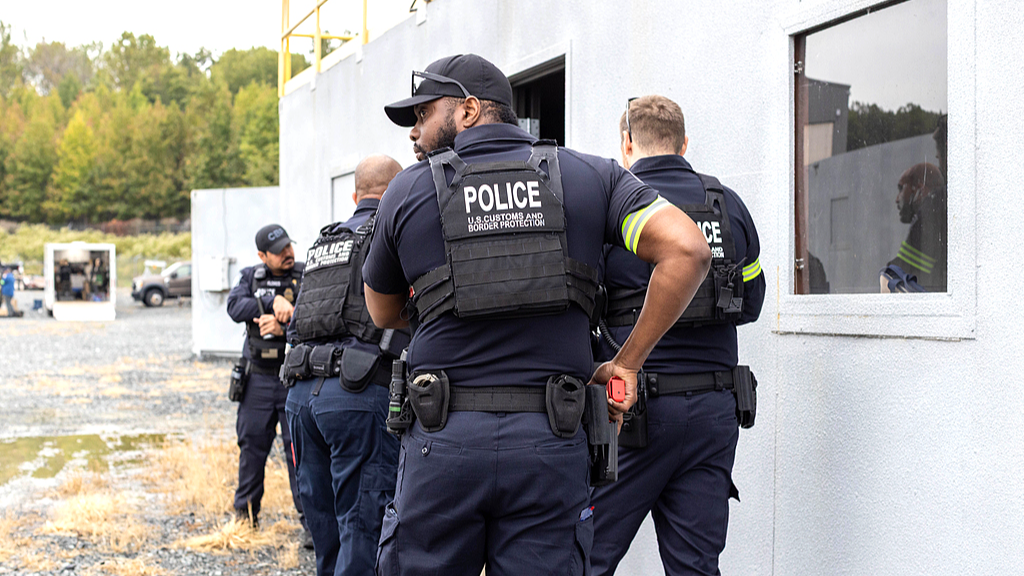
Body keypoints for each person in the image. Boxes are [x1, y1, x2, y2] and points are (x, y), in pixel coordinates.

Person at [362, 54, 712, 576]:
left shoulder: (407, 190)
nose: (414, 132)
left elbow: (382, 311)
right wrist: (627, 363)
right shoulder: (591, 175)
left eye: (423, 114)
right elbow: (688, 250)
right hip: (552, 441)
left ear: (469, 110)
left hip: (443, 443)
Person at [588, 95, 766, 576]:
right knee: (696, 566)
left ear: (627, 144)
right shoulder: (727, 205)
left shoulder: (616, 207)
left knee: (587, 555)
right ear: (684, 143)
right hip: (714, 412)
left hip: (630, 415)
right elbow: (750, 303)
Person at [283, 155, 410, 576]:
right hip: (358, 395)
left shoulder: (324, 244)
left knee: (325, 525)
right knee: (363, 526)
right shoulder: (392, 234)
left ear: (355, 197)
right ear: (395, 192)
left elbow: (298, 325)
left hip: (302, 397)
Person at [226, 224, 307, 540]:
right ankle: (245, 518)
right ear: (262, 256)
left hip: (293, 379)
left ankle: (311, 526)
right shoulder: (251, 277)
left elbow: (318, 314)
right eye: (278, 251)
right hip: (257, 380)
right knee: (251, 447)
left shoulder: (305, 273)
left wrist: (285, 324)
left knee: (300, 453)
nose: (288, 253)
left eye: (289, 246)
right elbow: (235, 307)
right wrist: (271, 301)